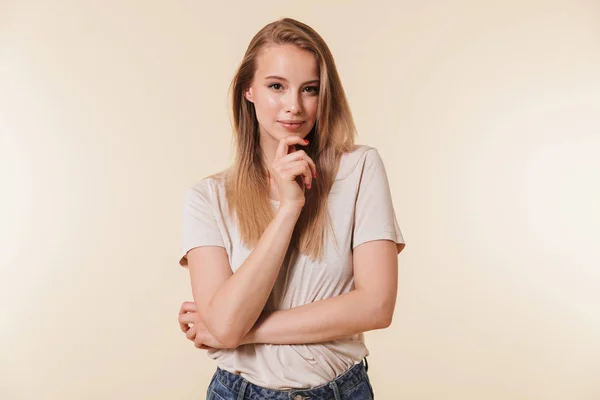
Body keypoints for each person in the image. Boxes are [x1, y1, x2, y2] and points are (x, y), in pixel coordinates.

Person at [176, 17, 405, 400]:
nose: (294, 107)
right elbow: (223, 324)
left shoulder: (359, 169)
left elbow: (376, 306)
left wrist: (238, 330)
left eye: (310, 89)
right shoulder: (208, 198)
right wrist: (289, 208)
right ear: (248, 90)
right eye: (276, 87)